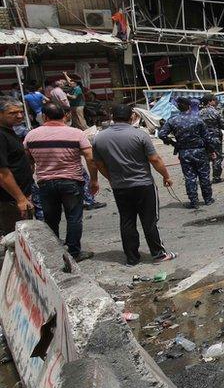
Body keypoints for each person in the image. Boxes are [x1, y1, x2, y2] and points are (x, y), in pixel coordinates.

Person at [91, 104, 177, 265]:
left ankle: (131, 258)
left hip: (120, 186)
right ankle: (158, 254)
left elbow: (98, 163)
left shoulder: (99, 138)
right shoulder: (140, 135)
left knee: (127, 220)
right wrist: (166, 176)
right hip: (143, 184)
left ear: (112, 117)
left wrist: (111, 178)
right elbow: (154, 159)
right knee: (149, 220)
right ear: (132, 117)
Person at [24, 103, 100, 261]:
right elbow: (90, 158)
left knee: (51, 219)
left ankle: (54, 253)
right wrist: (94, 180)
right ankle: (74, 252)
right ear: (65, 115)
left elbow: (28, 162)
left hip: (45, 182)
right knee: (74, 217)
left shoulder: (31, 135)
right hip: (71, 181)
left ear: (44, 116)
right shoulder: (76, 133)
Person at [158, 97, 213, 209]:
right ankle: (207, 199)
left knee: (189, 177)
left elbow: (161, 134)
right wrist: (211, 151)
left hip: (184, 152)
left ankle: (193, 201)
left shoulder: (173, 120)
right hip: (200, 151)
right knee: (204, 176)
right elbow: (207, 138)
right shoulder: (197, 119)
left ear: (178, 107)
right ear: (189, 106)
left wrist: (173, 143)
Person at [0, 97, 33, 233]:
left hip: (21, 196)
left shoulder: (9, 131)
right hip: (10, 199)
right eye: (13, 113)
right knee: (17, 239)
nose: (19, 116)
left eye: (21, 112)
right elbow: (2, 173)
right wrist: (20, 198)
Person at [199, 94, 224, 184]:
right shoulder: (215, 112)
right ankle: (216, 177)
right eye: (214, 100)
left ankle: (205, 178)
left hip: (203, 139)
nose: (216, 101)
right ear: (209, 101)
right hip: (215, 138)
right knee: (217, 158)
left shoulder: (199, 113)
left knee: (205, 158)